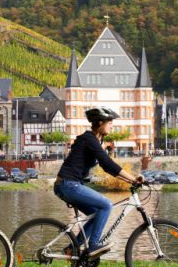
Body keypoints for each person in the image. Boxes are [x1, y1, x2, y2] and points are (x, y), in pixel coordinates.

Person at [53, 107, 142, 259]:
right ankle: (93, 245)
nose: (112, 126)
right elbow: (107, 161)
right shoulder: (89, 139)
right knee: (106, 205)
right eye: (110, 123)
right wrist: (133, 178)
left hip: (69, 185)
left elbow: (106, 167)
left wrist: (130, 181)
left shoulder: (94, 140)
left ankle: (72, 248)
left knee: (97, 214)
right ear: (100, 123)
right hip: (68, 184)